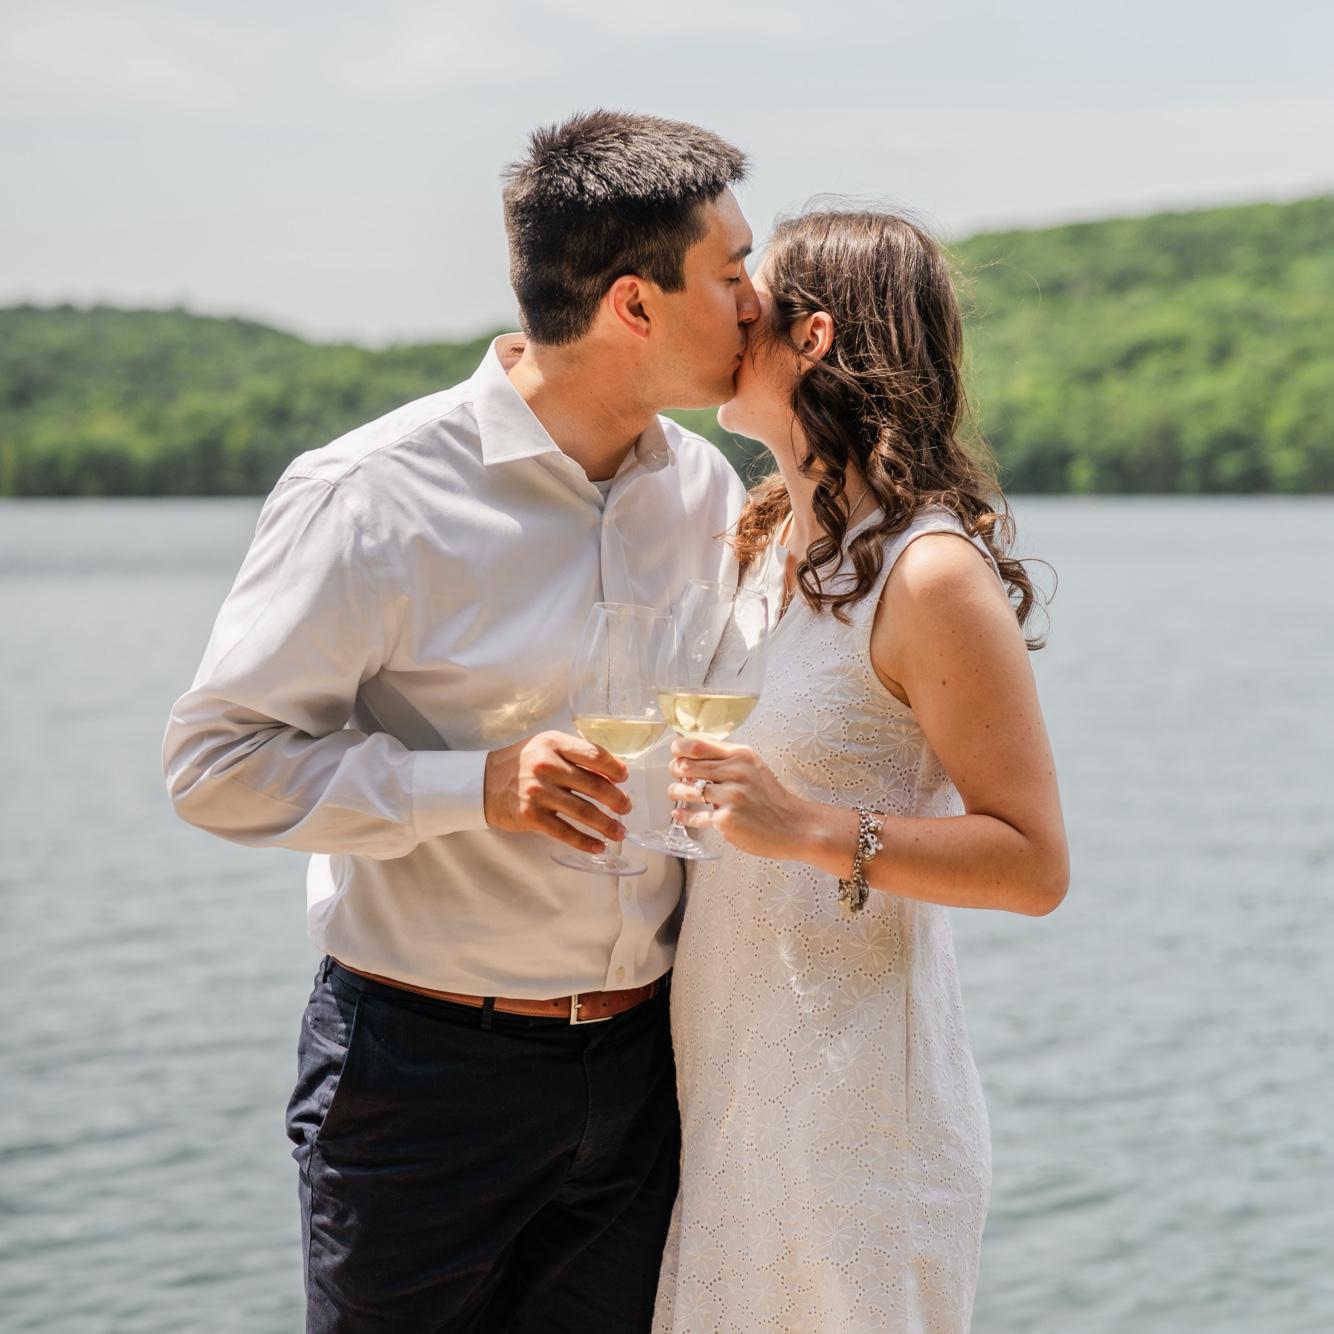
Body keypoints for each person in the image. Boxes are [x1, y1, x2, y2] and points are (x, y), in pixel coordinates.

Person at [162, 110, 758, 1333]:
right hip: (420, 1080)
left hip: (644, 1069)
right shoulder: (367, 495)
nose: (755, 299)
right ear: (633, 307)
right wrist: (472, 786)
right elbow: (214, 767)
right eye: (731, 272)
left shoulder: (703, 489)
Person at [651, 209, 1070, 1333]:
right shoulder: (761, 538)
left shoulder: (927, 574)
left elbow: (1032, 863)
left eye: (754, 296)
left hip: (855, 1109)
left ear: (814, 336)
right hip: (726, 1086)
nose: (733, 312)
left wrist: (807, 828)